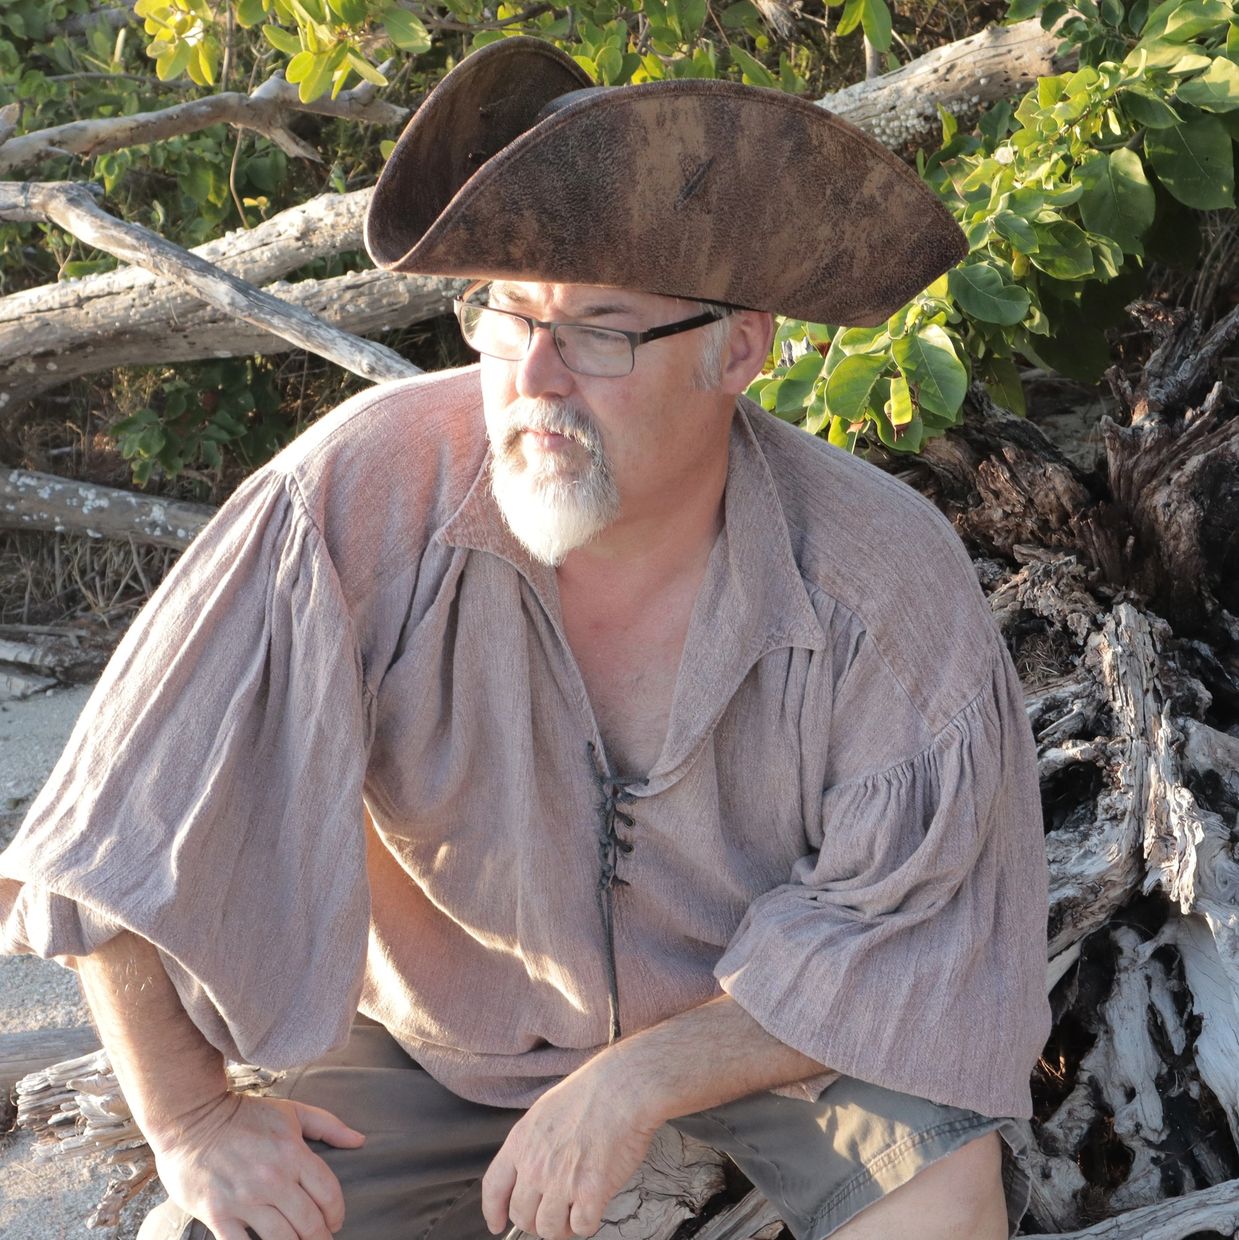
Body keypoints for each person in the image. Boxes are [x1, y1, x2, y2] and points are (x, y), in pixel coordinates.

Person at [0, 36, 1050, 1240]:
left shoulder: (880, 579)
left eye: (602, 331)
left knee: (943, 1204)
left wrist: (637, 1080)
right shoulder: (355, 492)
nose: (535, 376)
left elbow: (903, 929)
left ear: (741, 348)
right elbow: (108, 835)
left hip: (771, 1045)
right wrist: (190, 1122)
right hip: (436, 1047)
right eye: (506, 315)